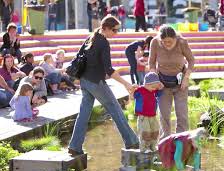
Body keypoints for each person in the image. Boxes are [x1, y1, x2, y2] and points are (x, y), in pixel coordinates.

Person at [68, 16, 139, 156]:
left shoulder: (91, 37)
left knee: (84, 114)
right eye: (114, 30)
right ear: (105, 28)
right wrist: (126, 84)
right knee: (115, 109)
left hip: (84, 81)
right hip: (95, 82)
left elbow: (78, 57)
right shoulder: (104, 43)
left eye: (118, 30)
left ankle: (74, 147)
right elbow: (109, 70)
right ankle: (132, 142)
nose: (116, 33)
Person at [148, 25, 195, 139]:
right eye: (164, 42)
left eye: (170, 41)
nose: (167, 44)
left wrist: (186, 78)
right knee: (164, 114)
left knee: (182, 114)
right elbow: (152, 63)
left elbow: (191, 60)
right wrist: (155, 79)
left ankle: (182, 139)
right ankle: (166, 140)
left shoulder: (182, 42)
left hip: (180, 83)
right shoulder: (155, 42)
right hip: (162, 83)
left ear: (175, 38)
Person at [134, 72, 163, 152]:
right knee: (145, 131)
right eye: (152, 87)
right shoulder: (140, 90)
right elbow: (134, 94)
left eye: (155, 87)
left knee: (155, 130)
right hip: (143, 116)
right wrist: (133, 88)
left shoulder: (154, 91)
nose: (154, 89)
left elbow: (159, 93)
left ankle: (153, 146)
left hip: (153, 115)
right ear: (146, 84)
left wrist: (160, 87)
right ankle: (144, 148)